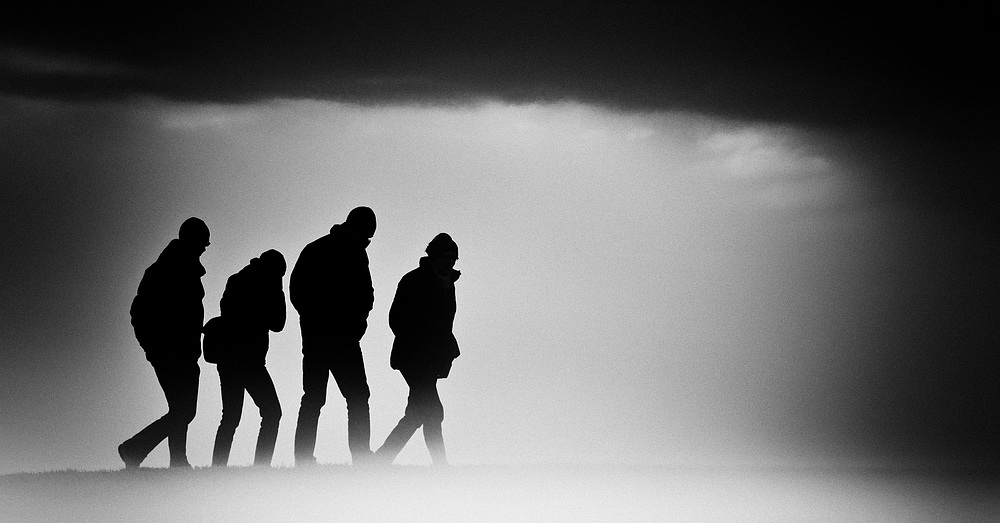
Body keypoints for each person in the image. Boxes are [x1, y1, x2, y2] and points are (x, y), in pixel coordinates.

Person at [119, 217, 210, 469]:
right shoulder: (165, 270)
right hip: (171, 352)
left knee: (181, 409)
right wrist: (154, 348)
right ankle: (134, 448)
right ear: (192, 241)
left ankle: (177, 462)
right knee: (184, 411)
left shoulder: (181, 268)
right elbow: (139, 313)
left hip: (184, 351)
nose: (205, 248)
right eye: (203, 242)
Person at [290, 206, 377, 466]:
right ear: (353, 229)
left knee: (321, 398)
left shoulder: (318, 249)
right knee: (347, 397)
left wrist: (357, 325)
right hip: (330, 338)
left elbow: (366, 295)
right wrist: (351, 324)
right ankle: (358, 457)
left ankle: (306, 458)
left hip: (332, 338)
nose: (367, 243)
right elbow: (299, 293)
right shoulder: (321, 251)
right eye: (366, 237)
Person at [375, 233, 461, 466]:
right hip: (414, 358)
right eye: (447, 257)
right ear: (433, 256)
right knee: (433, 411)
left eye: (454, 259)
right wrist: (423, 339)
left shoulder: (447, 284)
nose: (451, 263)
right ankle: (440, 465)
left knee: (417, 413)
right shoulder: (413, 280)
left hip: (430, 359)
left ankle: (381, 459)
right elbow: (396, 320)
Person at [210, 249, 286, 467]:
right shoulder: (268, 286)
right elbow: (278, 323)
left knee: (231, 417)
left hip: (228, 358)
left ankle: (218, 468)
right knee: (272, 413)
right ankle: (261, 467)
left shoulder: (235, 280)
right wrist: (277, 290)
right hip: (250, 360)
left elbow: (227, 313)